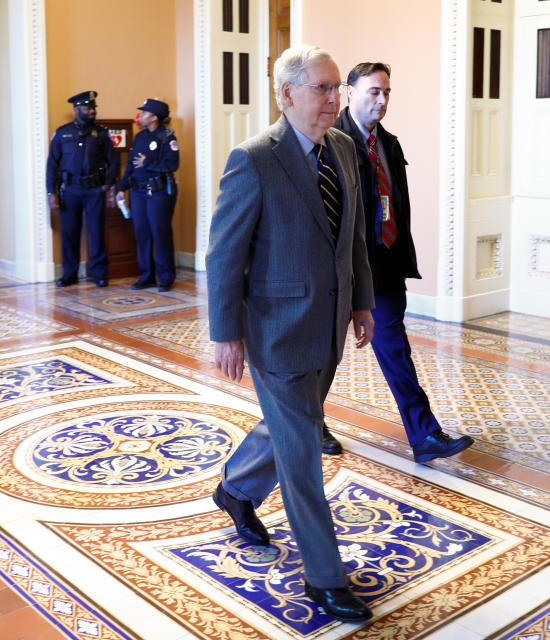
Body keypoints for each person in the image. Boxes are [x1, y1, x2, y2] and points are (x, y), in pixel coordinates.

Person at [206, 45, 374, 622]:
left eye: (337, 89)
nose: (335, 99)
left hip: (327, 327)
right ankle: (325, 578)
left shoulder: (346, 149)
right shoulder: (254, 159)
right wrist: (226, 332)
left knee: (288, 428)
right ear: (287, 94)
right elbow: (224, 254)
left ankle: (235, 489)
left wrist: (362, 303)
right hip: (275, 331)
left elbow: (352, 237)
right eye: (324, 89)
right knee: (302, 450)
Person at [321, 63, 474, 464]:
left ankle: (424, 435)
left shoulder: (388, 144)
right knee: (324, 352)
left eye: (387, 92)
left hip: (382, 266)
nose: (382, 100)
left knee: (395, 348)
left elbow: (396, 210)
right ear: (349, 92)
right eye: (373, 91)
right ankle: (309, 423)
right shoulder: (328, 142)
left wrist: (401, 257)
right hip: (339, 270)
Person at [46, 91, 119, 287]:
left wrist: (107, 185)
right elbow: (52, 164)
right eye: (88, 108)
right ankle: (69, 274)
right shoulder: (62, 133)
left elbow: (113, 161)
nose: (92, 111)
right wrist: (51, 192)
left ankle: (99, 274)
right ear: (76, 109)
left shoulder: (101, 134)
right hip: (69, 190)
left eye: (94, 108)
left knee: (97, 233)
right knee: (70, 233)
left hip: (95, 190)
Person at [117, 98, 179, 292]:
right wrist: (122, 187)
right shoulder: (140, 137)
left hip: (158, 193)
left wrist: (148, 163)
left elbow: (172, 165)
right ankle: (147, 276)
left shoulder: (167, 137)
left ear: (154, 117)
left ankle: (166, 278)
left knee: (160, 234)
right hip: (138, 192)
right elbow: (132, 165)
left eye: (144, 113)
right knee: (142, 234)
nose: (141, 116)